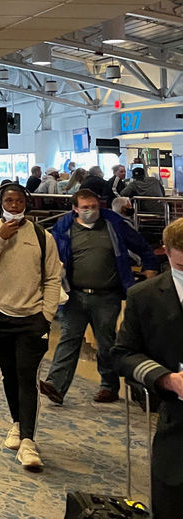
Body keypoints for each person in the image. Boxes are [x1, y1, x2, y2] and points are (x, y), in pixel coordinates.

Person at [0, 184, 62, 472]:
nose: (14, 203)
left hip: (32, 319)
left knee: (27, 376)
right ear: (0, 203)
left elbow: (53, 278)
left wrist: (46, 316)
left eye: (19, 200)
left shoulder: (42, 236)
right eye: (9, 200)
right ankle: (17, 423)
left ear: (27, 203)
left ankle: (28, 442)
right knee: (9, 375)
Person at [41, 188, 159, 406]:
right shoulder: (64, 228)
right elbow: (52, 256)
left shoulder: (113, 224)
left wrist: (150, 268)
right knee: (69, 338)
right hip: (73, 294)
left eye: (94, 207)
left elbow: (142, 247)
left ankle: (109, 385)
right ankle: (56, 385)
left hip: (107, 295)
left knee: (106, 342)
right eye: (85, 208)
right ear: (75, 208)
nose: (90, 211)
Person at [113, 217, 183, 517]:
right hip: (178, 426)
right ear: (165, 252)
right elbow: (123, 355)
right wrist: (166, 379)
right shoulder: (144, 296)